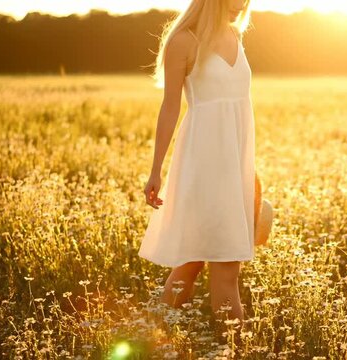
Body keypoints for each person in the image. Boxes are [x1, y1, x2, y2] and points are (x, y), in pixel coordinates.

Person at [138, 0, 254, 332]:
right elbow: (170, 108)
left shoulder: (235, 35)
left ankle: (153, 334)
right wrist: (156, 169)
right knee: (220, 264)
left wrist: (247, 171)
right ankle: (236, 349)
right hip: (202, 165)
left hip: (234, 167)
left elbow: (239, 112)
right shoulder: (184, 41)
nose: (242, 5)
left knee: (192, 261)